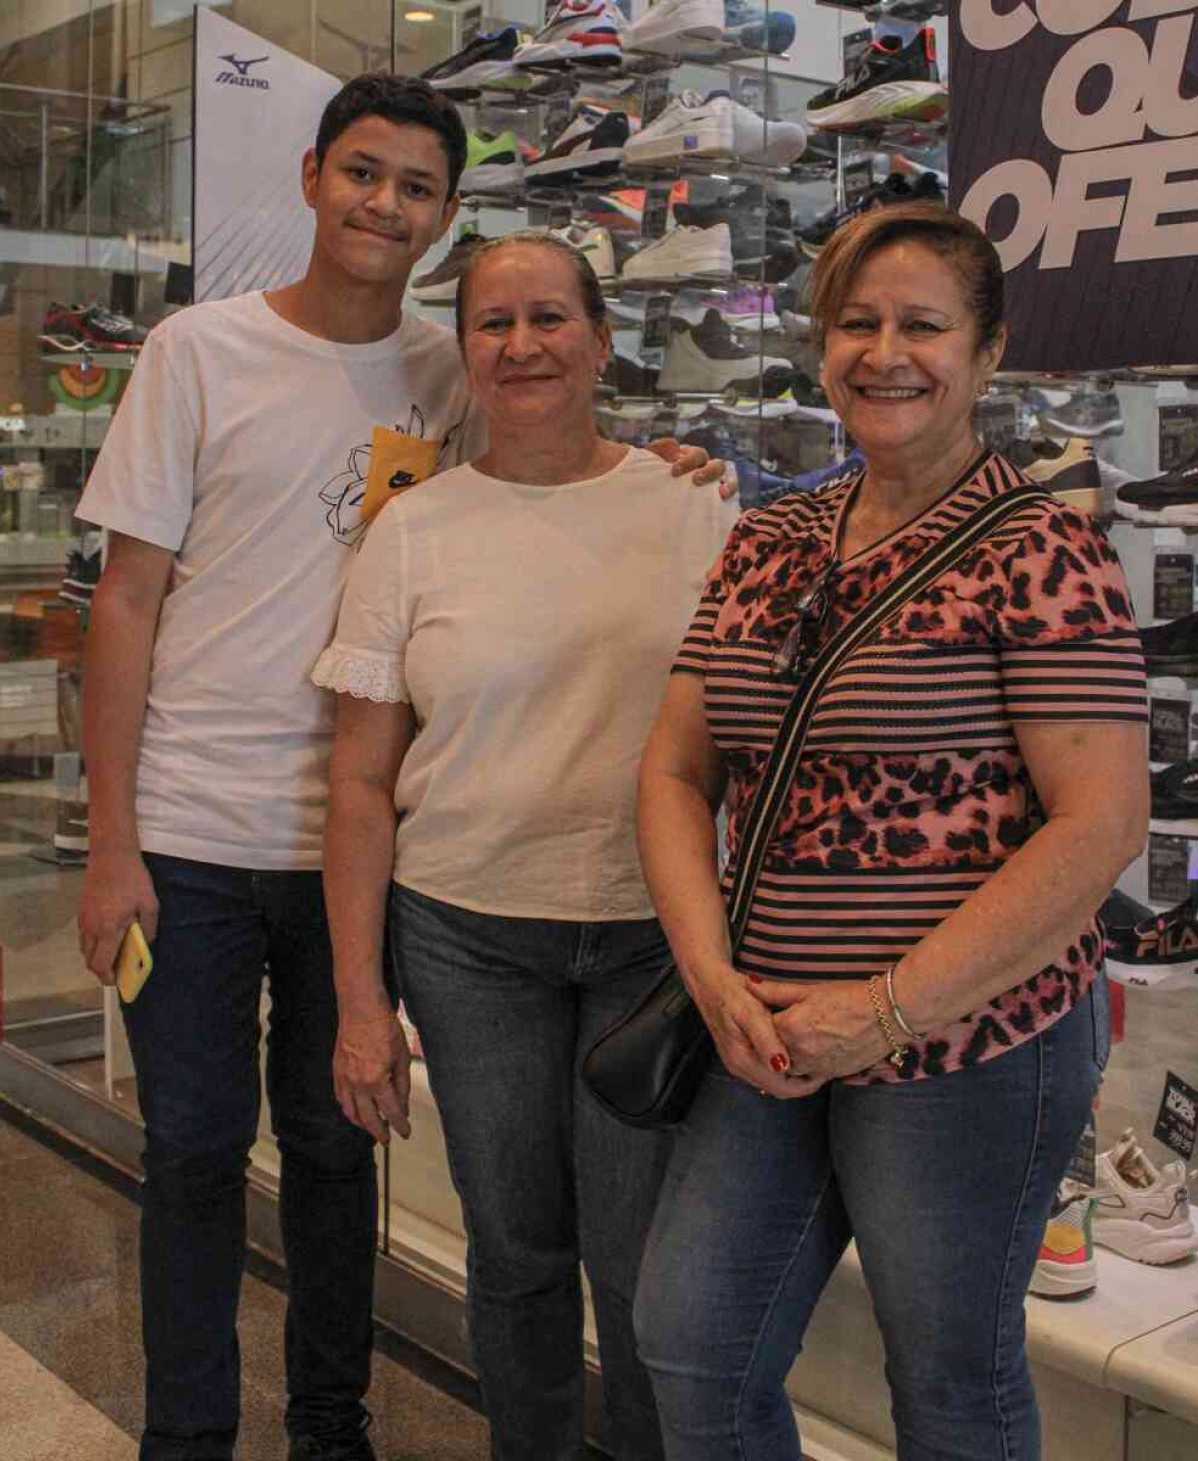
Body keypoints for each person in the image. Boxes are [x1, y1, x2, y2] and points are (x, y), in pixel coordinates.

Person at [75, 75, 717, 1461]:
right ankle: (186, 1437)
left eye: (417, 187)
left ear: (443, 214)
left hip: (359, 852)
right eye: (363, 173)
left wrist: (676, 463)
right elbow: (123, 600)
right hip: (191, 827)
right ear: (312, 178)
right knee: (189, 1151)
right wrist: (109, 834)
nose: (386, 204)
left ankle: (330, 1428)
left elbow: (553, 483)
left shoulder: (449, 365)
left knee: (329, 1155)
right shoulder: (198, 350)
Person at [633, 202, 1150, 1461]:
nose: (885, 352)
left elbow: (1102, 823)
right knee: (691, 1341)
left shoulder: (1046, 545)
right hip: (763, 1025)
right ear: (820, 346)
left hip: (972, 1037)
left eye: (923, 324)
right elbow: (675, 771)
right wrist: (711, 981)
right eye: (855, 323)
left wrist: (890, 1007)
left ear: (986, 355)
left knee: (951, 1382)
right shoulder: (769, 537)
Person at [314, 231, 737, 1461]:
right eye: (492, 324)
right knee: (515, 1253)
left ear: (604, 341)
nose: (522, 345)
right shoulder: (412, 530)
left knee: (643, 1269)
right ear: (465, 353)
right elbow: (359, 780)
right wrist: (358, 999)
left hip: (655, 943)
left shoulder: (695, 504)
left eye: (549, 318)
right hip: (465, 942)